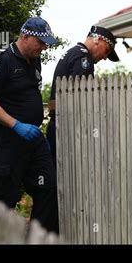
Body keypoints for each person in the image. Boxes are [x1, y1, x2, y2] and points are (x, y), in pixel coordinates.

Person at [0, 17, 59, 233]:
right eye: (40, 43)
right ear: (25, 37)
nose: (43, 48)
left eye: (45, 44)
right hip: (8, 139)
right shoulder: (2, 61)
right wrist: (16, 125)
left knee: (48, 187)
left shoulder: (34, 60)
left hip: (32, 140)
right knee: (5, 198)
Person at [46, 26, 119, 164]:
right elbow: (79, 100)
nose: (104, 57)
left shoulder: (73, 52)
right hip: (67, 128)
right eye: (106, 50)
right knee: (68, 176)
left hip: (58, 124)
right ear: (97, 40)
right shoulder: (83, 59)